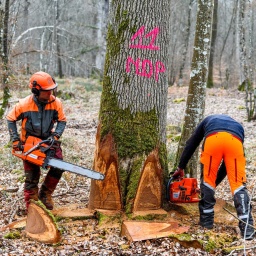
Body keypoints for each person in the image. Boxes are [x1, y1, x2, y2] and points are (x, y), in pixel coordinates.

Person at [174, 114, 255, 240]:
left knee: (207, 182)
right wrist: (215, 183)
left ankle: (207, 225)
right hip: (235, 142)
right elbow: (225, 168)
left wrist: (181, 167)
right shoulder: (238, 126)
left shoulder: (208, 120)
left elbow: (191, 143)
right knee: (238, 186)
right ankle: (248, 230)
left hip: (213, 139)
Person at [6, 71, 67, 211]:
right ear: (36, 90)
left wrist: (56, 136)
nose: (50, 93)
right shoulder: (24, 104)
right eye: (47, 91)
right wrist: (15, 140)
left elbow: (62, 121)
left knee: (59, 166)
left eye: (51, 90)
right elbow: (10, 119)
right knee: (32, 176)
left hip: (48, 140)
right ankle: (32, 206)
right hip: (29, 143)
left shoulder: (56, 103)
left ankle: (45, 194)